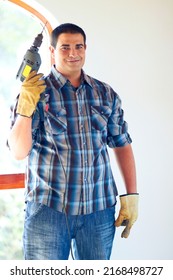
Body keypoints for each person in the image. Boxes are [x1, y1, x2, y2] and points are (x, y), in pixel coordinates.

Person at [8, 23, 139, 260]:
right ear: (51, 52)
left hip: (98, 210)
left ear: (85, 49)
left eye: (78, 46)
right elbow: (19, 151)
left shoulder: (105, 93)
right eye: (65, 47)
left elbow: (121, 142)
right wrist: (25, 110)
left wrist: (132, 196)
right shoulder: (34, 93)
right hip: (48, 211)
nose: (73, 53)